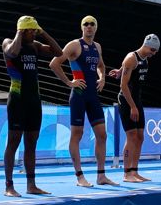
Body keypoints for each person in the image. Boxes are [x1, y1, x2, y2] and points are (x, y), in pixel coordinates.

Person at [48, 15, 117, 188]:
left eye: (92, 24)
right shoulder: (74, 45)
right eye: (86, 24)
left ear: (96, 28)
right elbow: (54, 63)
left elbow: (101, 66)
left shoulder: (97, 47)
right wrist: (68, 82)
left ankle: (101, 175)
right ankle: (79, 176)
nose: (89, 27)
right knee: (76, 135)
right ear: (82, 27)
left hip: (93, 96)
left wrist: (102, 79)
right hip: (78, 95)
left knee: (102, 135)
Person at [2, 16, 63, 197]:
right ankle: (9, 186)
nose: (32, 33)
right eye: (29, 30)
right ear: (21, 30)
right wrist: (20, 33)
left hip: (34, 100)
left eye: (33, 31)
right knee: (13, 141)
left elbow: (59, 53)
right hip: (17, 98)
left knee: (31, 143)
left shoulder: (35, 45)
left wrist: (42, 32)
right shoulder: (8, 42)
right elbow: (12, 53)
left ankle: (31, 184)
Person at [113, 34, 159, 182]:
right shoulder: (131, 58)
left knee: (140, 137)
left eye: (155, 51)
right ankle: (126, 173)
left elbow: (127, 69)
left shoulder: (145, 60)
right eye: (153, 50)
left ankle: (134, 171)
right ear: (147, 46)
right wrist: (132, 106)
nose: (154, 53)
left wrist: (120, 71)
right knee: (131, 136)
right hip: (127, 100)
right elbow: (123, 85)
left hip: (137, 100)